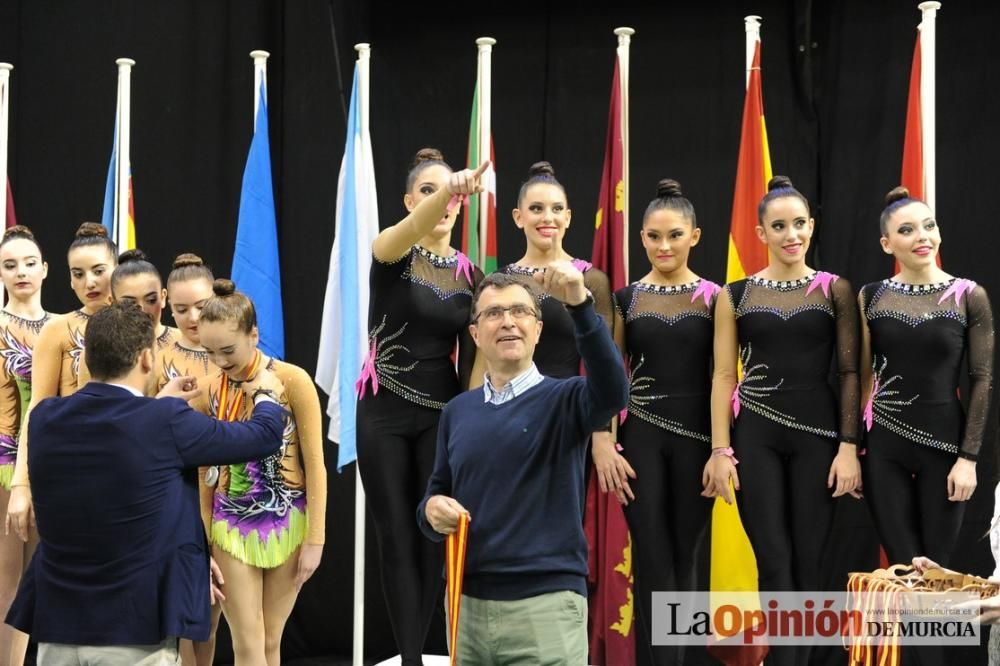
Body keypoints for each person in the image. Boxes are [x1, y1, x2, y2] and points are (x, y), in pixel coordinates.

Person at [4, 300, 288, 665]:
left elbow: (113, 459)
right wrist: (265, 393)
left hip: (57, 632)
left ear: (88, 360)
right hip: (134, 633)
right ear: (146, 359)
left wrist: (157, 403)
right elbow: (260, 437)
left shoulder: (45, 418)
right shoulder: (164, 421)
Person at [418, 261, 629, 664]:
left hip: (546, 609)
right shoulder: (457, 412)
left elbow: (614, 392)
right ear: (475, 334)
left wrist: (581, 306)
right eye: (494, 313)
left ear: (538, 329)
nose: (508, 322)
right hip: (466, 609)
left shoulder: (568, 399)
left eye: (520, 312)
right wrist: (430, 511)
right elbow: (435, 497)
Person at [702, 176, 861, 666]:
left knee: (809, 564)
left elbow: (853, 371)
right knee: (772, 560)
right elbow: (725, 374)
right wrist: (720, 450)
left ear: (811, 227)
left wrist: (849, 447)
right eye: (779, 226)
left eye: (798, 224)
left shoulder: (834, 289)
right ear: (760, 232)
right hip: (757, 439)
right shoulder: (736, 293)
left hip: (819, 438)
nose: (790, 234)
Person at [356, 149, 487, 664]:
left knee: (431, 530)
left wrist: (471, 421)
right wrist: (450, 189)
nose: (445, 202)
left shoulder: (471, 276)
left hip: (441, 413)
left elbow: (473, 363)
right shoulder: (392, 254)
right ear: (411, 202)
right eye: (429, 192)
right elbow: (404, 232)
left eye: (450, 193)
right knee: (394, 535)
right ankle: (409, 657)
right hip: (383, 413)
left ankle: (434, 648)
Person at [613, 180, 718, 666]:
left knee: (688, 559)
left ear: (694, 236)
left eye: (675, 236)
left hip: (698, 442)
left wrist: (723, 450)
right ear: (641, 237)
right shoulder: (625, 299)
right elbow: (610, 377)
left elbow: (724, 376)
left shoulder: (717, 299)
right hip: (642, 441)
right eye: (654, 237)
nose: (664, 246)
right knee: (654, 561)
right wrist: (604, 442)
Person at [860, 186, 993, 565]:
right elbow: (858, 374)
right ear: (887, 244)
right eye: (907, 230)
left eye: (928, 226)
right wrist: (852, 447)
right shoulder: (871, 297)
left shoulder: (969, 296)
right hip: (884, 448)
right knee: (904, 570)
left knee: (935, 570)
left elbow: (982, 380)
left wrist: (968, 459)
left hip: (946, 448)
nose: (922, 237)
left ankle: (933, 625)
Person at [195, 279, 326, 666]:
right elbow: (204, 472)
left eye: (228, 350)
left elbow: (315, 463)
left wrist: (315, 538)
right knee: (248, 644)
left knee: (271, 643)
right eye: (210, 352)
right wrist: (204, 542)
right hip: (229, 526)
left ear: (254, 334)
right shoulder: (207, 391)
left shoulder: (292, 380)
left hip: (288, 522)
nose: (220, 362)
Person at [497, 162, 626, 500]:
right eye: (536, 209)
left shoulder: (591, 281)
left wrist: (601, 433)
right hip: (510, 415)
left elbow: (604, 361)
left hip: (570, 418)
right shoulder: (499, 282)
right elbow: (481, 365)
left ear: (568, 217)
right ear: (518, 216)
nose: (547, 218)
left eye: (556, 209)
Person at [5, 221, 117, 570]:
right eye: (79, 274)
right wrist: (22, 483)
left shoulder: (140, 327)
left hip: (126, 470)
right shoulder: (58, 330)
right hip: (66, 470)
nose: (90, 282)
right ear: (68, 278)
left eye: (99, 271)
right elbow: (37, 408)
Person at [159, 253, 222, 666]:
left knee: (214, 607)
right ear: (166, 304)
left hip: (223, 494)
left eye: (200, 306)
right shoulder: (157, 349)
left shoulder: (230, 349)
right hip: (174, 495)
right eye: (181, 309)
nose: (192, 316)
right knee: (179, 606)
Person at [0, 226, 49, 666]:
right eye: (10, 265)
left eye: (29, 263)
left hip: (50, 466)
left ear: (45, 269)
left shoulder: (63, 327)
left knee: (37, 578)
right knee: (6, 580)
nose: (21, 272)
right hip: (3, 462)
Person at [77, 248, 180, 387]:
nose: (142, 310)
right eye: (130, 303)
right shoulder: (98, 352)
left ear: (163, 297)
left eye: (150, 300)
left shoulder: (184, 342)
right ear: (111, 302)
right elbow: (88, 406)